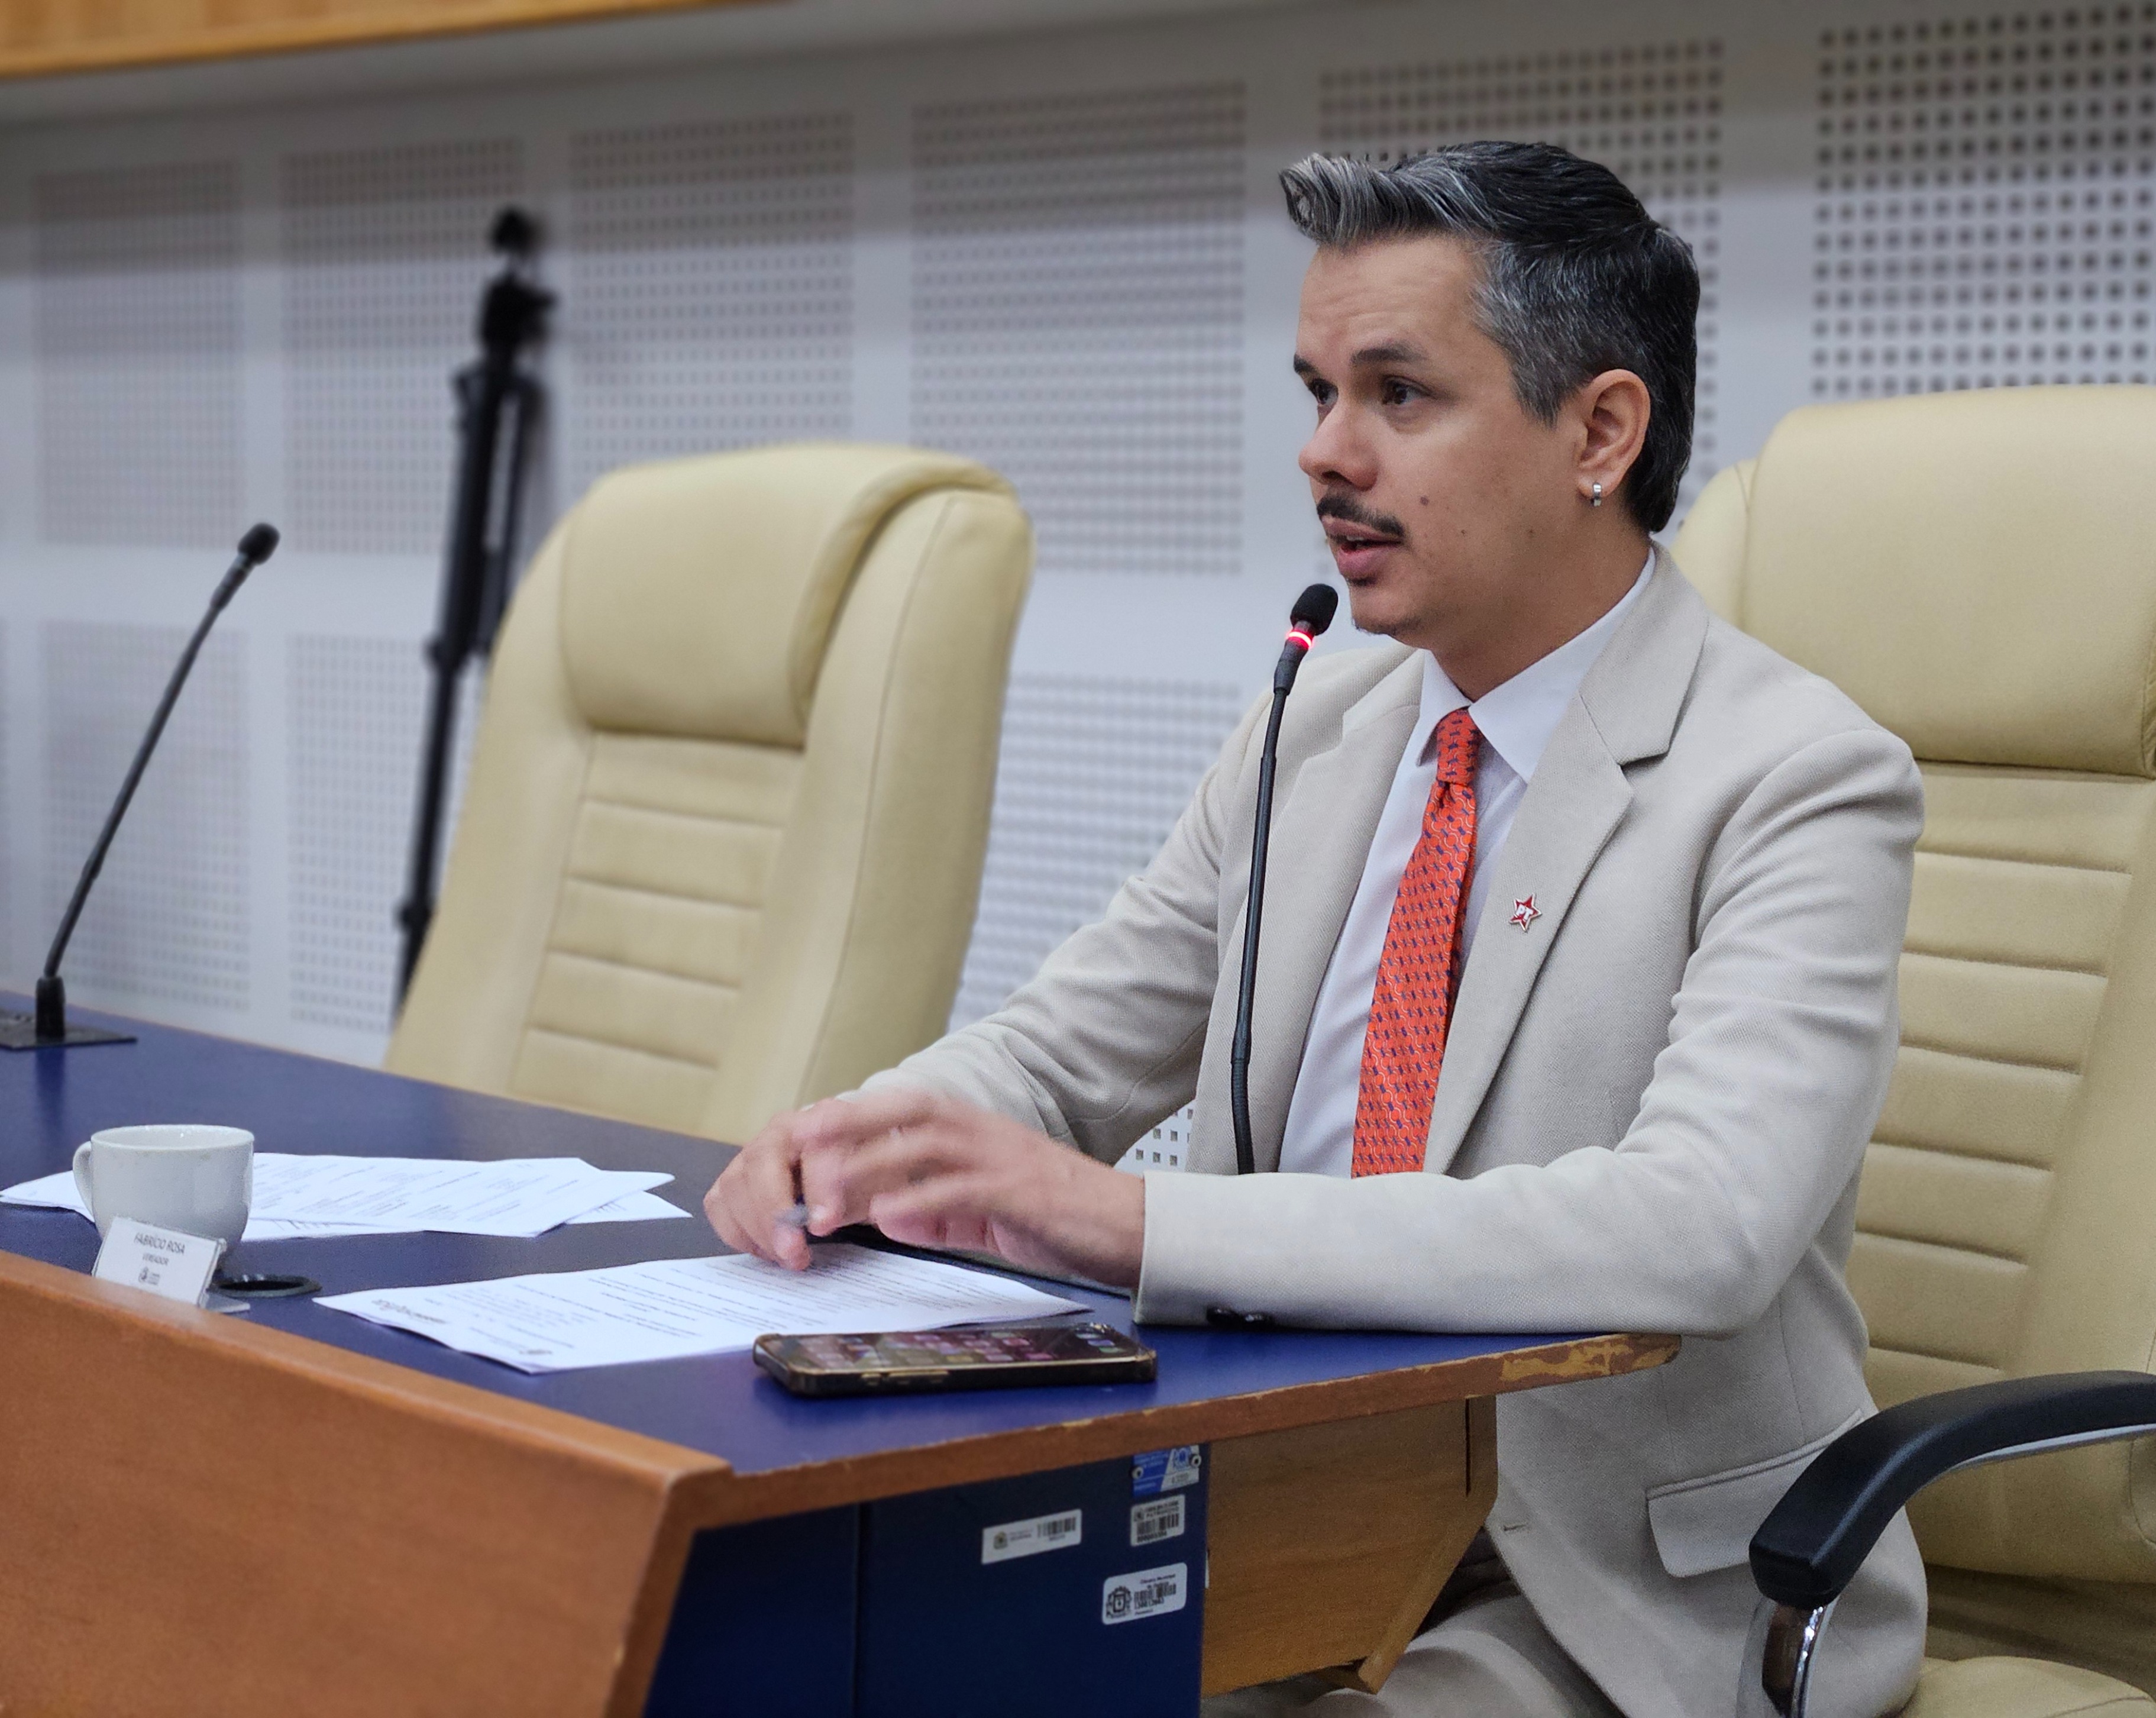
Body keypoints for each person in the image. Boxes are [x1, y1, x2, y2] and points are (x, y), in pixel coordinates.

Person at [706, 141, 1926, 1718]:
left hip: (1610, 1592)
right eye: (1318, 393)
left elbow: (1700, 1225)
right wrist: (856, 1145)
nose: (1325, 454)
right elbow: (1060, 1055)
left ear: (1599, 432)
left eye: (1399, 396)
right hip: (1269, 1510)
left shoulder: (1799, 775)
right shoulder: (1315, 731)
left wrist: (1134, 1226)